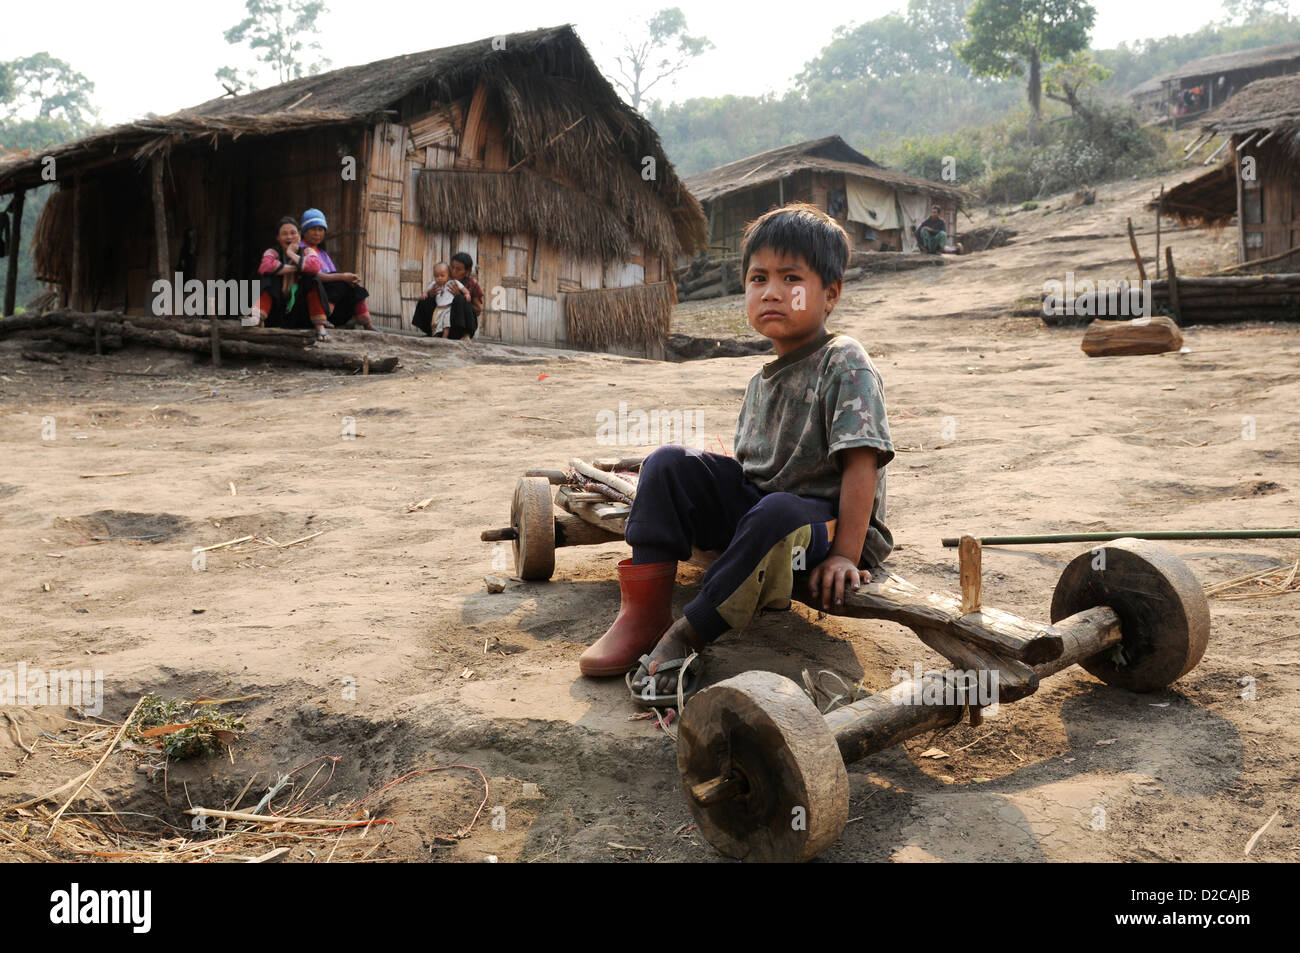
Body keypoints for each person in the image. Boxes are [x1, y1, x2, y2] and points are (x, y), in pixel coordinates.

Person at [578, 203, 895, 705]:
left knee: (777, 510)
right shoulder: (760, 379)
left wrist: (844, 556)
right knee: (667, 462)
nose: (770, 291)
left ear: (830, 293)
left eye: (790, 277)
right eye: (757, 278)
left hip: (827, 527)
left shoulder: (844, 360)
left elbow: (862, 466)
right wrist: (703, 489)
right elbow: (748, 475)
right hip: (766, 516)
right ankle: (644, 613)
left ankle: (688, 634)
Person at [299, 208, 379, 332]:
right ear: (304, 232)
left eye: (320, 230)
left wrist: (348, 280)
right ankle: (323, 316)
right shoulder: (301, 249)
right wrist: (343, 277)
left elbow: (335, 277)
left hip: (329, 302)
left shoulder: (323, 254)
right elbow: (313, 276)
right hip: (309, 303)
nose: (317, 233)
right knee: (340, 280)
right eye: (313, 229)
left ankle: (366, 323)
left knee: (353, 288)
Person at [252, 217, 331, 339]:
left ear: (299, 235)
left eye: (293, 233)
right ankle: (257, 316)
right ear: (278, 238)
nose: (289, 237)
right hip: (276, 311)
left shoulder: (307, 251)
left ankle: (319, 325)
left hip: (299, 312)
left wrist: (291, 254)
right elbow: (265, 267)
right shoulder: (273, 252)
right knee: (269, 277)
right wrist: (297, 268)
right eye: (284, 234)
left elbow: (314, 266)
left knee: (312, 278)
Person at [412, 251, 482, 339]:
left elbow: (478, 310)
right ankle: (433, 332)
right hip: (441, 320)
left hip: (458, 326)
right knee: (426, 299)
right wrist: (431, 294)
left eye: (458, 269)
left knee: (459, 299)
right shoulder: (443, 278)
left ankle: (465, 335)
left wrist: (460, 297)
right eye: (452, 267)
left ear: (467, 271)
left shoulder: (472, 284)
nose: (453, 271)